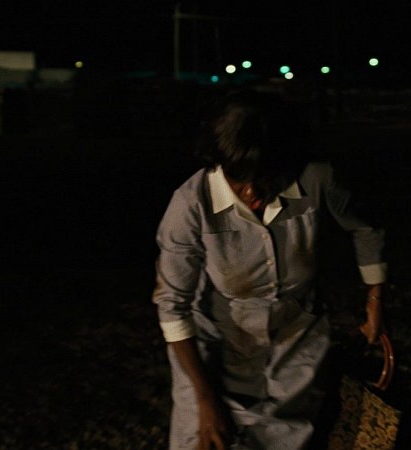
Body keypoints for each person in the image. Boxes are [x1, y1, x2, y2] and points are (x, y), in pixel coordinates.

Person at [153, 91, 386, 449]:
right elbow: (172, 307)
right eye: (238, 181)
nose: (251, 193)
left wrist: (375, 299)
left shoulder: (316, 179)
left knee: (284, 436)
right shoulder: (190, 205)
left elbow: (365, 227)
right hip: (216, 340)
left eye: (264, 178)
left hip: (295, 335)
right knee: (202, 437)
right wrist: (205, 401)